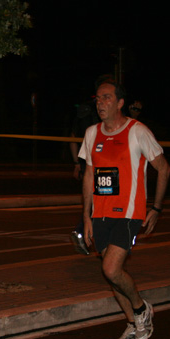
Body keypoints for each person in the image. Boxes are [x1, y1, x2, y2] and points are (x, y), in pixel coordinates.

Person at [78, 77, 170, 339]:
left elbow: (163, 168)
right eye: (98, 98)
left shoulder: (137, 131)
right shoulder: (91, 133)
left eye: (107, 98)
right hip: (100, 213)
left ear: (120, 103)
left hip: (129, 212)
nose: (101, 103)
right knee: (111, 275)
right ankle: (133, 322)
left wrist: (156, 208)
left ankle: (142, 309)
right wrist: (86, 215)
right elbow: (89, 175)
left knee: (110, 268)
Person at [69, 96, 99, 255]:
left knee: (95, 198)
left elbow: (72, 138)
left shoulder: (83, 110)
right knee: (101, 199)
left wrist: (76, 163)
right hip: (100, 161)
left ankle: (82, 231)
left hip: (85, 160)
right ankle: (84, 232)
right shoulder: (99, 112)